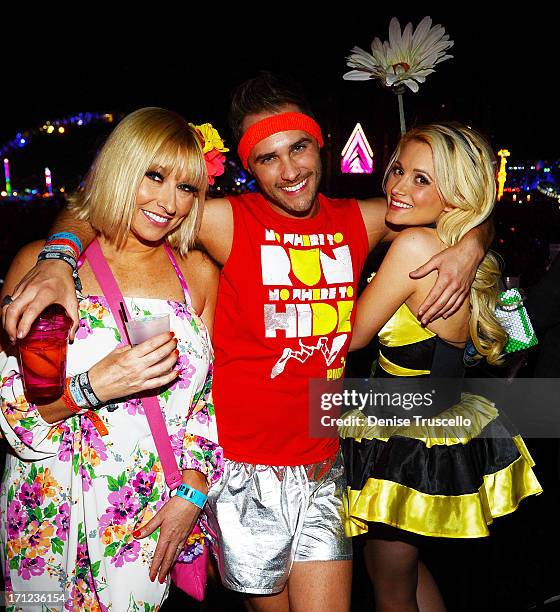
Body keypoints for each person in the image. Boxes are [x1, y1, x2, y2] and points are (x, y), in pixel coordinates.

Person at [2, 74, 493, 611]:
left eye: (299, 148)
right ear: (249, 167)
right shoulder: (225, 221)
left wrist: (472, 245)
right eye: (267, 158)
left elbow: (451, 205)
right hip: (243, 472)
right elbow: (109, 200)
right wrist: (57, 255)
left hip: (321, 462)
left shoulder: (361, 218)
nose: (290, 171)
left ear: (319, 144)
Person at [0, 108, 224, 610]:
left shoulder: (200, 275)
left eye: (187, 187)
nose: (169, 202)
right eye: (155, 176)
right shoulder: (48, 267)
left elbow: (206, 404)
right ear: (122, 168)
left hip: (144, 520)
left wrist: (192, 493)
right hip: (46, 520)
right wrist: (95, 385)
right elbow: (10, 412)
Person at [340, 123, 542, 611]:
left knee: (389, 587)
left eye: (422, 179)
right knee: (403, 572)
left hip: (401, 434)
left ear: (455, 195)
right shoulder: (458, 250)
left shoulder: (414, 248)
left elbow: (351, 338)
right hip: (432, 420)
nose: (399, 187)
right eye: (397, 171)